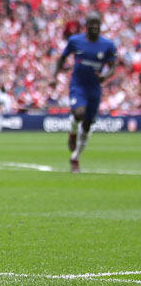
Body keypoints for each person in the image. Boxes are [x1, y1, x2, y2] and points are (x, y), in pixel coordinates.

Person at [53, 12, 117, 172]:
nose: (95, 27)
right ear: (86, 25)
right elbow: (62, 58)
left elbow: (113, 66)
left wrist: (105, 76)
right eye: (91, 23)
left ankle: (75, 158)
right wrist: (55, 75)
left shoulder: (107, 45)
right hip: (78, 86)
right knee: (79, 112)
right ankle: (72, 133)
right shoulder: (75, 41)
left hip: (94, 88)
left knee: (88, 125)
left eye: (97, 24)